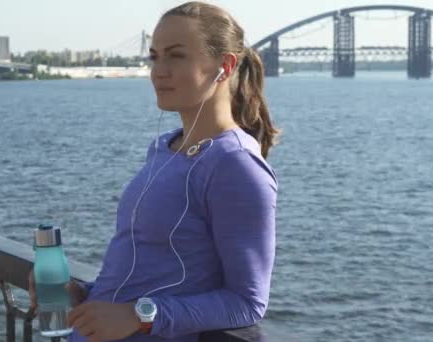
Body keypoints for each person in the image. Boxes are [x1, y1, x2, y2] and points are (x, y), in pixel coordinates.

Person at [29, 2, 280, 341]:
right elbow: (147, 270)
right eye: (154, 56)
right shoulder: (165, 147)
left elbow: (247, 303)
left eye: (176, 56)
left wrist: (141, 316)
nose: (159, 70)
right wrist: (81, 292)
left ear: (225, 66)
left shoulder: (236, 165)